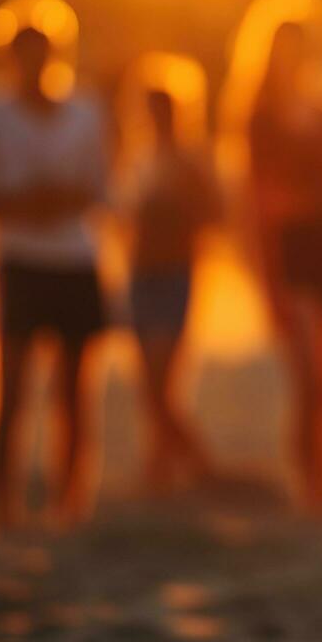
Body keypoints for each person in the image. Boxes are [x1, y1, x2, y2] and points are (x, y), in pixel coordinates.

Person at [0, 0, 109, 529]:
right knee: (9, 386)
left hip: (76, 261)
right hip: (15, 262)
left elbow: (99, 190)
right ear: (5, 56)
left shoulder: (86, 112)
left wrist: (53, 198)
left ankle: (70, 501)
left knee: (75, 392)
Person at [222, 0, 322, 512]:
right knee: (311, 381)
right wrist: (262, 275)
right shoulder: (256, 119)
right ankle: (314, 487)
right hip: (292, 253)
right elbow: (252, 205)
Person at [115, 53, 220, 495]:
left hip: (175, 273)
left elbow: (213, 215)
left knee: (162, 377)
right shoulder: (136, 161)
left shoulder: (191, 162)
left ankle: (197, 462)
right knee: (148, 380)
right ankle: (162, 467)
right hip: (140, 274)